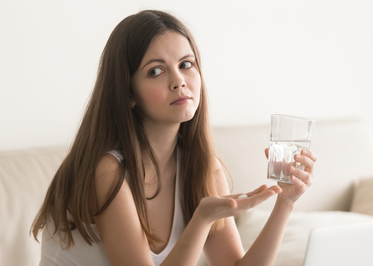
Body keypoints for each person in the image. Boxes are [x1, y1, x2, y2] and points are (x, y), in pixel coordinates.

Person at [31, 9, 317, 266]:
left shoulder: (202, 167)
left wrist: (286, 202)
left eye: (186, 64)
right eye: (155, 71)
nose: (178, 80)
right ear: (128, 93)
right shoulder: (108, 172)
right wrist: (202, 218)